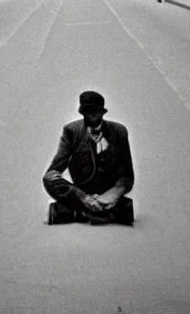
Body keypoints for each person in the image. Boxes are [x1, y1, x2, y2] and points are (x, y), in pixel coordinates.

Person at [43, 91, 135, 225]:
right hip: (81, 194)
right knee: (48, 178)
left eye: (93, 112)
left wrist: (109, 197)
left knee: (117, 199)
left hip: (109, 195)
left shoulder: (119, 131)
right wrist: (83, 197)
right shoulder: (71, 131)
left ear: (102, 113)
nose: (88, 116)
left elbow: (127, 177)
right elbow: (53, 172)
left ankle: (81, 212)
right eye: (85, 112)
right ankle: (102, 214)